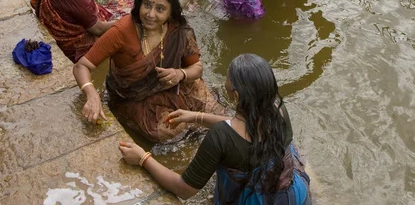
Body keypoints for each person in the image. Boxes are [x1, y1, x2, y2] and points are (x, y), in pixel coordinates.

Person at [119, 53, 311, 205]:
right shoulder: (278, 108)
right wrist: (197, 117)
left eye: (227, 79)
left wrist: (143, 158)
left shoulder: (221, 135)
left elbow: (185, 189)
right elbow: (245, 126)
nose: (224, 83)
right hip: (293, 196)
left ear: (236, 95)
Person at [73, 0, 224, 141]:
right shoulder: (122, 31)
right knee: (166, 131)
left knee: (217, 115)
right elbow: (82, 66)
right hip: (135, 98)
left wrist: (180, 74)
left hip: (174, 86)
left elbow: (196, 68)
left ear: (171, 12)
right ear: (139, 4)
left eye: (160, 9)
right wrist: (92, 94)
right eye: (147, 5)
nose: (151, 14)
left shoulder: (179, 31)